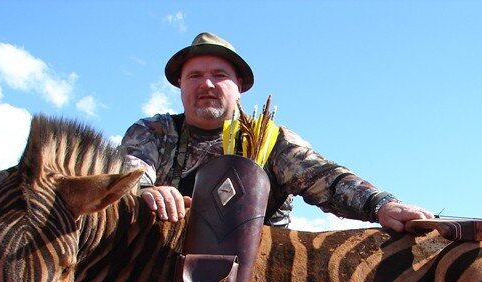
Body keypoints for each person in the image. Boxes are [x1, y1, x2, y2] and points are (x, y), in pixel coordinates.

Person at [121, 32, 433, 231]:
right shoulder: (153, 132)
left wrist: (382, 205)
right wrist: (145, 191)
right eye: (195, 76)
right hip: (163, 274)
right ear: (180, 84)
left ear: (239, 86)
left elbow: (324, 177)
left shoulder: (270, 139)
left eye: (219, 75)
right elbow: (128, 175)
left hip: (256, 281)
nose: (207, 84)